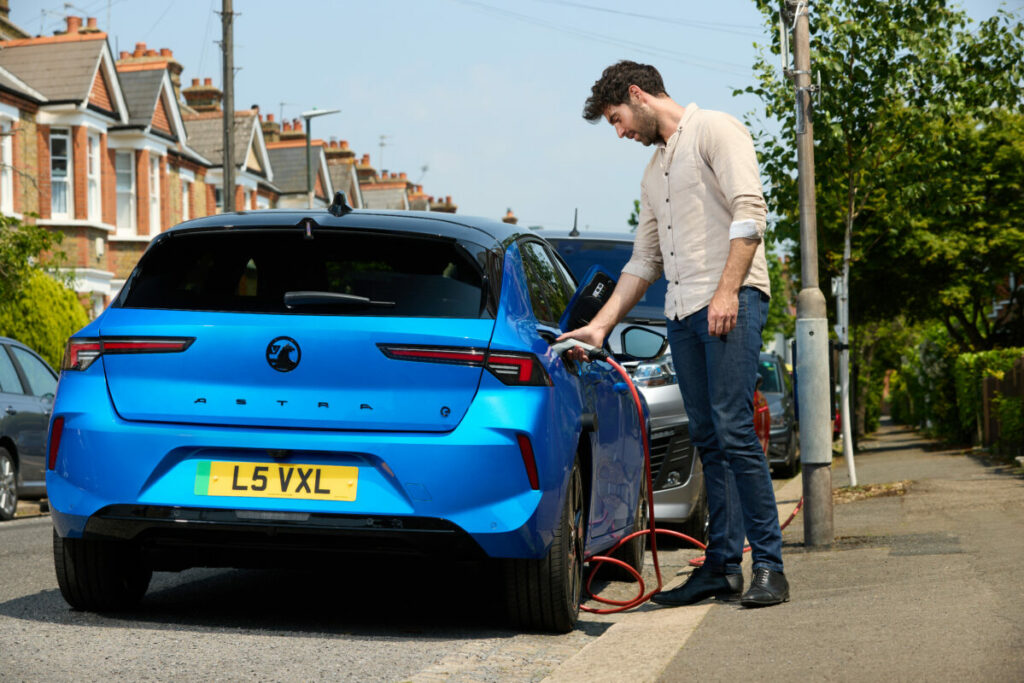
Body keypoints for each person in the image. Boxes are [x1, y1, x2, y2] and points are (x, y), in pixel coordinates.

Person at [557, 60, 788, 608]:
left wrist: (728, 290)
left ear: (638, 95)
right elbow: (644, 260)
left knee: (734, 430)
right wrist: (600, 325)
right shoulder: (653, 170)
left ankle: (771, 568)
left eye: (617, 119)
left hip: (729, 300)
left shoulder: (715, 129)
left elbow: (750, 211)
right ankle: (721, 567)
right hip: (683, 314)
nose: (620, 132)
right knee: (708, 438)